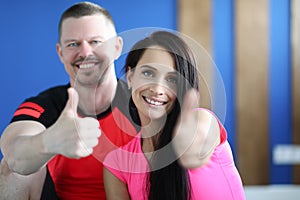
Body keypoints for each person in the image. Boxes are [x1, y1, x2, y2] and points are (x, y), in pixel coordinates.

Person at [0, 2, 138, 199]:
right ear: (60, 53)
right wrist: (49, 141)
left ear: (117, 48)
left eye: (96, 42)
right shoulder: (45, 106)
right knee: (12, 169)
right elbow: (13, 154)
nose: (85, 52)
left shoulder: (141, 102)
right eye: (73, 44)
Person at [103, 31, 246, 200]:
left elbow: (204, 128)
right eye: (148, 73)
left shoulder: (203, 121)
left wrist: (194, 144)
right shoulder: (117, 163)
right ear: (131, 76)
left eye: (172, 79)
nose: (157, 89)